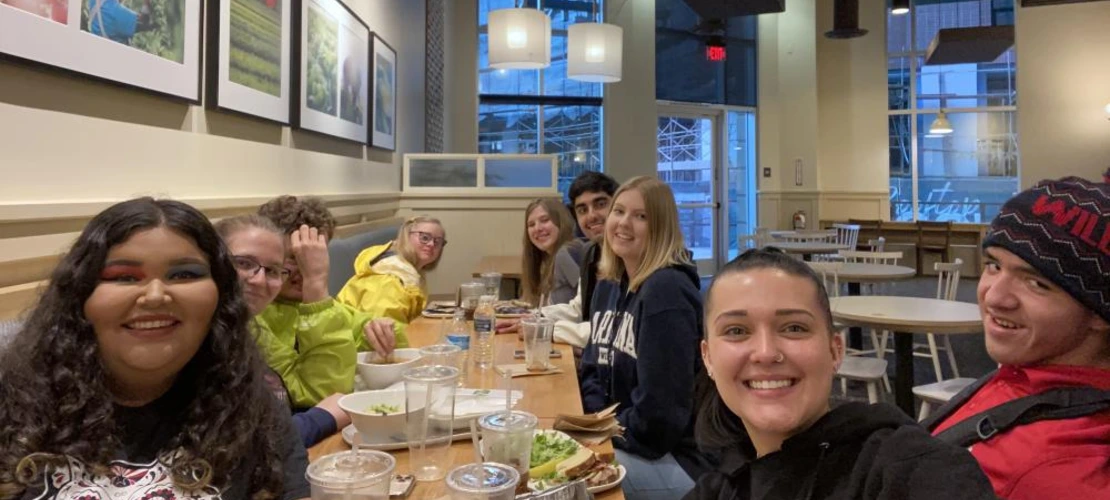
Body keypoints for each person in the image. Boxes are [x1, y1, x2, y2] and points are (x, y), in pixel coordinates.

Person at [0, 198, 310, 500]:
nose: (155, 295)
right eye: (123, 277)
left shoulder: (253, 407)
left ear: (221, 298)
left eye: (184, 274)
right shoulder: (11, 402)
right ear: (80, 296)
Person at [687, 247, 994, 500]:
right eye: (737, 330)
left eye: (794, 328)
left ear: (835, 350)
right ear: (708, 358)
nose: (766, 352)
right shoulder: (717, 488)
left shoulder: (907, 469)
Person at [924, 175, 1110, 499]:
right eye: (994, 265)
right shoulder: (1027, 370)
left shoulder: (1054, 472)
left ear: (1098, 313)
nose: (994, 297)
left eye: (1036, 283)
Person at [578, 176, 705, 500]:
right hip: (625, 440)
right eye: (619, 211)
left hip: (675, 459)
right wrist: (594, 423)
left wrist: (602, 435)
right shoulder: (608, 284)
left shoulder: (668, 292)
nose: (623, 223)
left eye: (641, 216)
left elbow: (659, 415)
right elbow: (591, 369)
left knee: (563, 481)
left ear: (661, 228)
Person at [215, 215, 350, 448]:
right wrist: (318, 420)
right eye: (244, 263)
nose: (259, 280)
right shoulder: (201, 338)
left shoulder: (246, 326)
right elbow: (233, 445)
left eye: (273, 270)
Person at [256, 195, 399, 409]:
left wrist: (379, 329)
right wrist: (315, 284)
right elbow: (319, 396)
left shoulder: (311, 303)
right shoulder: (255, 315)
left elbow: (387, 340)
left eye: (316, 256)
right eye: (295, 257)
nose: (308, 267)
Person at [496, 171, 618, 345]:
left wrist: (551, 329)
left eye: (600, 204)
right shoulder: (593, 252)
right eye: (582, 209)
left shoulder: (568, 253)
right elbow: (579, 307)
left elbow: (614, 329)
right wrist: (537, 318)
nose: (591, 216)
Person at [337, 216, 446, 342]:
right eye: (425, 238)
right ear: (406, 236)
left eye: (438, 242)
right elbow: (382, 337)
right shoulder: (389, 279)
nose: (431, 244)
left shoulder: (409, 271)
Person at [521, 198, 581, 307]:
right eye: (531, 224)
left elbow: (590, 298)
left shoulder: (565, 253)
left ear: (561, 221)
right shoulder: (546, 260)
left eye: (544, 220)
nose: (537, 228)